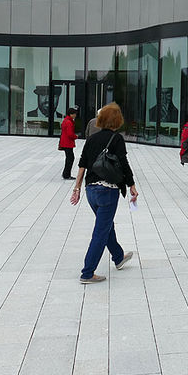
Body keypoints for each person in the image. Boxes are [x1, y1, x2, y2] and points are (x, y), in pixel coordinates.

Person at [70, 102, 138, 284]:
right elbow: (123, 164)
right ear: (116, 121)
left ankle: (118, 256)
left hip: (91, 190)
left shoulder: (91, 139)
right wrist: (131, 185)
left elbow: (82, 164)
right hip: (108, 191)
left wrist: (76, 188)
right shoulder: (116, 139)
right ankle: (87, 272)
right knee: (101, 231)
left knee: (106, 226)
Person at [59, 107, 78, 180]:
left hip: (65, 142)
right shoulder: (69, 122)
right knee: (70, 158)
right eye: (74, 114)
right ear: (71, 114)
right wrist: (75, 136)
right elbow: (70, 134)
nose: (75, 115)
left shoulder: (66, 120)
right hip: (67, 143)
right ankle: (66, 174)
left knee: (69, 158)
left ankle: (66, 174)